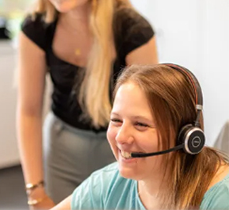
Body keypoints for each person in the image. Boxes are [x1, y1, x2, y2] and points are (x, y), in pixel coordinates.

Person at [16, 0, 158, 208]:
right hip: (63, 150)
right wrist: (35, 190)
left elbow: (152, 116)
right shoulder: (36, 28)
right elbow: (28, 112)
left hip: (122, 150)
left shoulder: (133, 31)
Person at [53, 64, 229, 209]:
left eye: (140, 124)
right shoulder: (110, 184)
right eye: (116, 120)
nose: (120, 138)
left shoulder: (221, 198)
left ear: (185, 137)